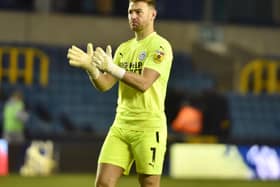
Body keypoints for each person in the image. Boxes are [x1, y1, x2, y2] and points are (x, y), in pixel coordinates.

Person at [67, 0, 173, 186]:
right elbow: (105, 85)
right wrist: (92, 70)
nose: (133, 16)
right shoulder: (124, 49)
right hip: (121, 126)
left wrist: (113, 68)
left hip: (148, 127)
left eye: (138, 12)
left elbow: (144, 83)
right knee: (103, 184)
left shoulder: (160, 47)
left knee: (148, 184)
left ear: (152, 14)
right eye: (130, 12)